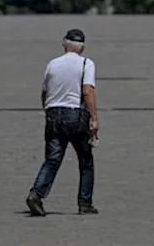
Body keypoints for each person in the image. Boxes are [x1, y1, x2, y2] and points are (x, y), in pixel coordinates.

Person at [27, 28, 98, 217]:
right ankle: (85, 203)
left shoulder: (52, 64)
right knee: (85, 160)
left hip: (53, 114)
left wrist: (49, 111)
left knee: (52, 160)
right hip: (75, 115)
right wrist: (94, 118)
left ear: (64, 44)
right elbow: (87, 91)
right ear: (82, 47)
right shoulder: (86, 63)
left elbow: (44, 93)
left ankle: (36, 194)